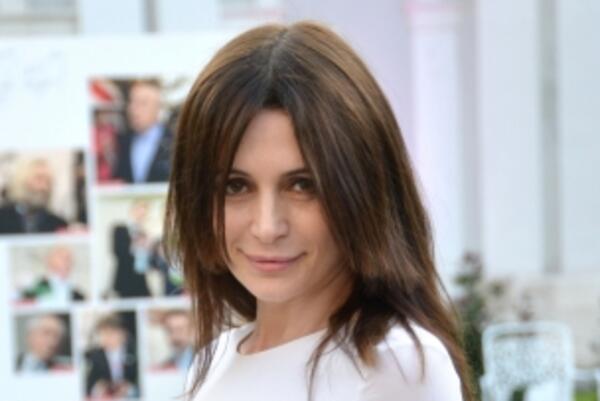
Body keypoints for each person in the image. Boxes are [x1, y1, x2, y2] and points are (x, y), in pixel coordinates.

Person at [165, 22, 474, 401]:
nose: (267, 227)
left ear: (363, 190)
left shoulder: (395, 364)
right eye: (235, 186)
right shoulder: (214, 362)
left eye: (302, 185)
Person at [113, 80, 172, 184]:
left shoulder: (174, 142)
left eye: (142, 103)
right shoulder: (122, 140)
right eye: (131, 102)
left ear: (158, 108)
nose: (133, 109)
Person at [0, 158, 67, 234]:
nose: (43, 187)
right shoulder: (2, 217)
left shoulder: (58, 224)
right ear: (22, 180)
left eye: (48, 181)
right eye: (39, 179)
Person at [85, 314, 139, 399]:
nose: (106, 338)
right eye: (102, 334)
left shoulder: (135, 351)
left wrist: (130, 388)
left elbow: (141, 381)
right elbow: (89, 385)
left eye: (110, 334)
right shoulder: (96, 355)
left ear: (123, 334)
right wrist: (98, 388)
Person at [20, 245, 85, 304]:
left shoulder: (77, 293)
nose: (68, 262)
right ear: (49, 260)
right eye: (62, 257)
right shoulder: (36, 287)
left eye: (69, 258)